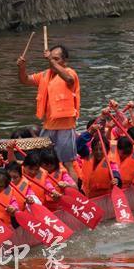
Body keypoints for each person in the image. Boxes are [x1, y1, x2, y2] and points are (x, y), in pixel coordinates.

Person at [17, 44, 81, 183]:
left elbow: (69, 80)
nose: (53, 62)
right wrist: (21, 68)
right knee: (41, 161)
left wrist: (50, 60)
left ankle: (76, 191)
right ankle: (45, 189)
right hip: (48, 126)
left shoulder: (70, 73)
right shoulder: (45, 74)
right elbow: (24, 80)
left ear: (65, 61)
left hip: (65, 126)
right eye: (52, 59)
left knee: (67, 163)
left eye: (56, 59)